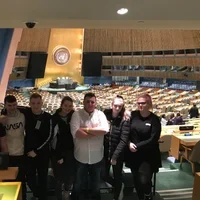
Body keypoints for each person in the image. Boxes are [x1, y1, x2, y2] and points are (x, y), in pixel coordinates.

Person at [70, 92, 109, 200]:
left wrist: (85, 129)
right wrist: (96, 132)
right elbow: (76, 133)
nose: (90, 104)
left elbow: (104, 130)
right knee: (77, 185)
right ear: (83, 102)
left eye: (92, 102)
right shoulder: (76, 114)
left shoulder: (100, 114)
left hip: (97, 158)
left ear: (95, 103)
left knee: (96, 186)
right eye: (87, 101)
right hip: (80, 158)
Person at [126, 93, 161, 200]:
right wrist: (128, 143)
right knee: (136, 179)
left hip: (148, 155)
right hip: (133, 154)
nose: (140, 105)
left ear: (149, 104)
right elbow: (126, 131)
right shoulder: (133, 115)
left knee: (144, 180)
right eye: (138, 103)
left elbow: (153, 139)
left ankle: (147, 194)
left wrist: (136, 146)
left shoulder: (154, 119)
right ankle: (141, 197)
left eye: (143, 103)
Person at [23, 93, 52, 200]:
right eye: (33, 103)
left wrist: (36, 151)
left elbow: (49, 136)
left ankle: (41, 197)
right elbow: (11, 107)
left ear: (42, 103)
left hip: (42, 153)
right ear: (29, 104)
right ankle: (37, 195)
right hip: (28, 153)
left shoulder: (47, 117)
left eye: (38, 103)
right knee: (30, 179)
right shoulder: (26, 114)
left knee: (42, 178)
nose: (36, 106)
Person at [103, 95, 130, 200]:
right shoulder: (105, 114)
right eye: (115, 106)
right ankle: (118, 185)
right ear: (112, 105)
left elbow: (123, 140)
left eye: (120, 106)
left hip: (117, 153)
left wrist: (114, 157)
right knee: (103, 175)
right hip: (105, 152)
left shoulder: (125, 119)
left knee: (117, 175)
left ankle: (116, 195)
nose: (117, 108)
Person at [1, 95, 27, 200]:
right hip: (8, 155)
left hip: (21, 153)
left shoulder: (23, 115)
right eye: (9, 105)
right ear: (5, 105)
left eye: (14, 105)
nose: (12, 107)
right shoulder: (2, 119)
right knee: (8, 183)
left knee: (21, 181)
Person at [51, 96, 75, 200]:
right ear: (61, 105)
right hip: (58, 153)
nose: (67, 108)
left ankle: (66, 193)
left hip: (71, 153)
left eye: (70, 106)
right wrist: (58, 156)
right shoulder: (54, 119)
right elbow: (52, 139)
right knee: (59, 179)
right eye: (65, 105)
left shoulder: (74, 116)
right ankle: (58, 197)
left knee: (70, 176)